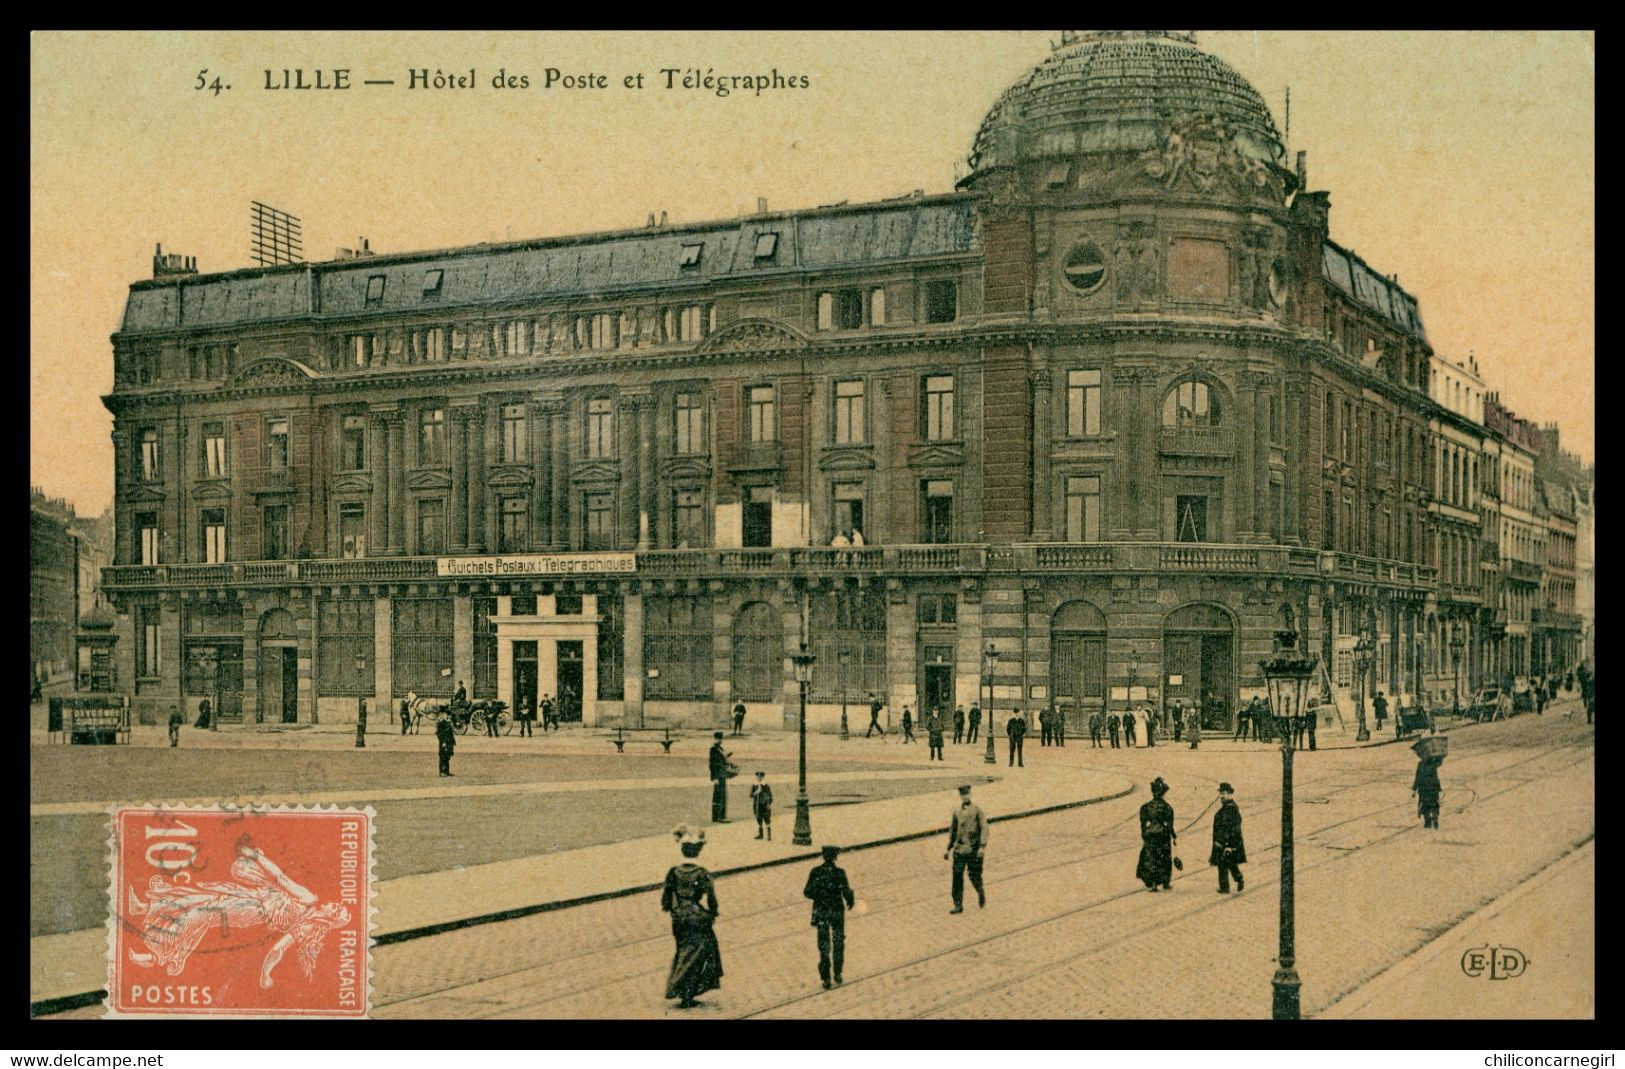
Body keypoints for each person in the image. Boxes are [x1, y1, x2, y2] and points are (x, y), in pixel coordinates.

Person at [661, 826, 723, 1009]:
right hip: (696, 917)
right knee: (701, 951)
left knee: (683, 950)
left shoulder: (674, 872)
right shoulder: (701, 873)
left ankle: (684, 989)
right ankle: (685, 988)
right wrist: (712, 914)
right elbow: (711, 898)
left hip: (679, 918)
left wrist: (674, 910)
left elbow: (666, 899)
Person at [804, 844, 855, 989]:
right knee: (838, 943)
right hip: (836, 912)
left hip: (821, 912)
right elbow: (846, 892)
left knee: (824, 945)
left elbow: (807, 892)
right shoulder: (840, 873)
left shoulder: (816, 872)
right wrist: (850, 900)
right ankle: (837, 973)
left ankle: (826, 978)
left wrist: (819, 896)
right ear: (835, 857)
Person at [944, 785, 989, 913]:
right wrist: (948, 849)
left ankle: (980, 891)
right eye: (963, 794)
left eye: (967, 794)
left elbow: (984, 829)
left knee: (974, 875)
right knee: (957, 876)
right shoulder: (956, 811)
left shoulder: (977, 811)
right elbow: (953, 831)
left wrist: (982, 847)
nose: (965, 797)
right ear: (960, 796)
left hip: (973, 849)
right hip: (959, 850)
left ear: (970, 794)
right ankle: (958, 905)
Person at [1136, 777, 1177, 892]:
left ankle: (1153, 884)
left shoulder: (1146, 807)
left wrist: (1145, 833)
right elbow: (1170, 824)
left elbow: (1143, 824)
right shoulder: (1167, 807)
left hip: (1150, 835)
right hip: (1162, 835)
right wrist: (1173, 835)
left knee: (1151, 859)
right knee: (1164, 858)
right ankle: (1165, 883)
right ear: (1163, 793)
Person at [1210, 783, 1246, 894]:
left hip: (1229, 842)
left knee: (1230, 863)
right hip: (1221, 842)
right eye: (1220, 793)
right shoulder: (1225, 808)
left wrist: (1230, 845)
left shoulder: (1232, 809)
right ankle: (1225, 887)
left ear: (1230, 794)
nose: (1221, 796)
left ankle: (1238, 879)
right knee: (1223, 865)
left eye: (1224, 793)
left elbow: (1235, 829)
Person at [1412, 755, 1443, 829]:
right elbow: (1440, 763)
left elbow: (1418, 777)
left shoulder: (1420, 764)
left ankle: (1428, 822)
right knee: (1434, 803)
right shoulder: (1434, 762)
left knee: (1425, 804)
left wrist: (1414, 789)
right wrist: (1440, 756)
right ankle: (1435, 818)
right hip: (1433, 787)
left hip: (1423, 787)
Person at [708, 732, 731, 823]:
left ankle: (718, 816)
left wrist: (726, 757)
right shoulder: (713, 749)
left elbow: (722, 760)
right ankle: (719, 817)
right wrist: (714, 778)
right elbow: (712, 764)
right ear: (715, 739)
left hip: (722, 774)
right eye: (718, 739)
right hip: (718, 775)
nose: (720, 740)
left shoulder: (720, 748)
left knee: (721, 795)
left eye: (721, 739)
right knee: (719, 796)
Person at [750, 771, 774, 840]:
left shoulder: (766, 785)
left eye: (760, 777)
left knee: (767, 819)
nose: (759, 778)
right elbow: (751, 795)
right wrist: (756, 792)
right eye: (758, 776)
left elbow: (770, 795)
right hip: (757, 805)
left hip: (765, 805)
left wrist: (769, 803)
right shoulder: (754, 785)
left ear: (763, 777)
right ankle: (761, 835)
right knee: (759, 819)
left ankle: (769, 835)